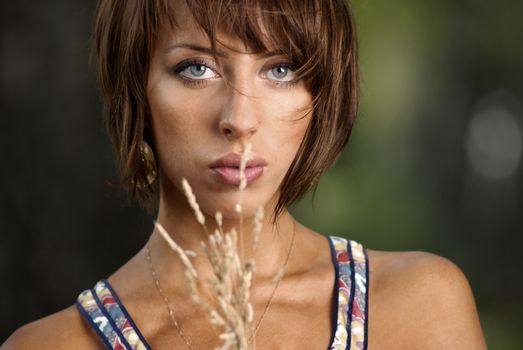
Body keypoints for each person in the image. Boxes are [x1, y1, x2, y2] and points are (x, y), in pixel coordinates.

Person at [2, 0, 487, 349]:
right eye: (196, 68)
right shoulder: (52, 345)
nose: (240, 118)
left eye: (280, 70)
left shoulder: (419, 305)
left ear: (320, 95)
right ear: (136, 90)